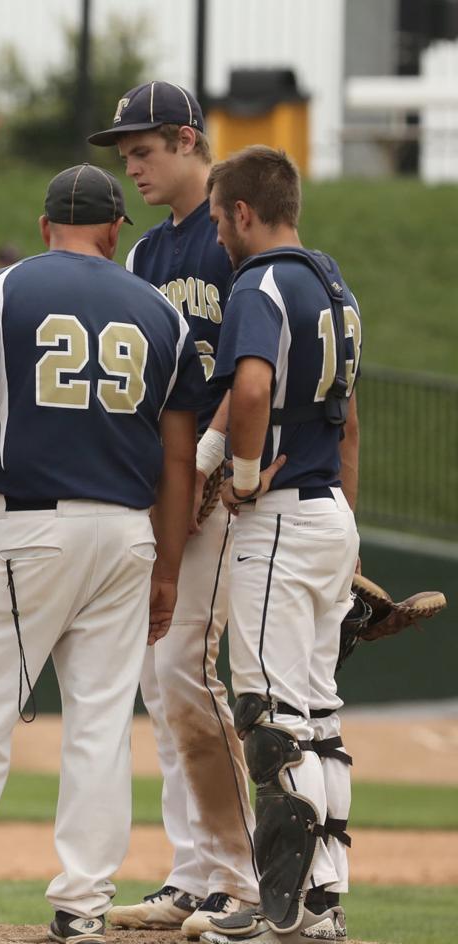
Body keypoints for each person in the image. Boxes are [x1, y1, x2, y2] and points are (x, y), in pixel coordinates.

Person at [0, 164, 202, 943]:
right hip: (126, 534)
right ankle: (85, 903)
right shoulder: (162, 313)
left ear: (47, 225)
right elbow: (179, 458)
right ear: (117, 230)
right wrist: (168, 567)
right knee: (100, 723)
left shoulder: (8, 290)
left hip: (30, 527)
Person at [88, 80, 259, 937]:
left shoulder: (239, 235)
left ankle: (241, 875)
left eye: (144, 151)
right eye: (126, 157)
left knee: (189, 672)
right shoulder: (147, 256)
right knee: (163, 682)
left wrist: (205, 458)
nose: (133, 168)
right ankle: (193, 872)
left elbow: (251, 366)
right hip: (170, 490)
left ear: (190, 140)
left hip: (226, 489)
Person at [200, 146, 360, 944]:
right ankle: (324, 906)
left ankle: (283, 912)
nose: (218, 232)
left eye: (219, 214)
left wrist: (244, 473)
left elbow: (252, 387)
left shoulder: (259, 282)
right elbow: (347, 417)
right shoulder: (334, 284)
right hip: (329, 509)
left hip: (283, 516)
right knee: (319, 719)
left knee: (269, 717)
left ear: (241, 212)